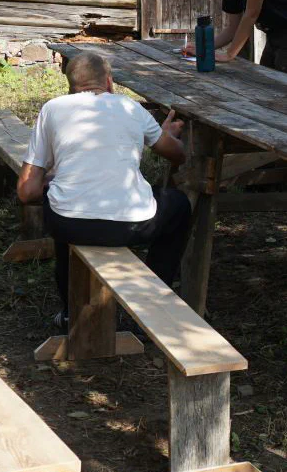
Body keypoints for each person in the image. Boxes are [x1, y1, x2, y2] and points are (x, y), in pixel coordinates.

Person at [18, 51, 190, 325]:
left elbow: (26, 192)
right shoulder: (132, 108)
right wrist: (165, 134)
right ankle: (154, 304)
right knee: (179, 205)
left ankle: (70, 312)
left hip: (69, 225)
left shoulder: (53, 108)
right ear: (109, 82)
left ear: (71, 87)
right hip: (131, 226)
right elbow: (178, 155)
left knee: (65, 203)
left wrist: (55, 182)